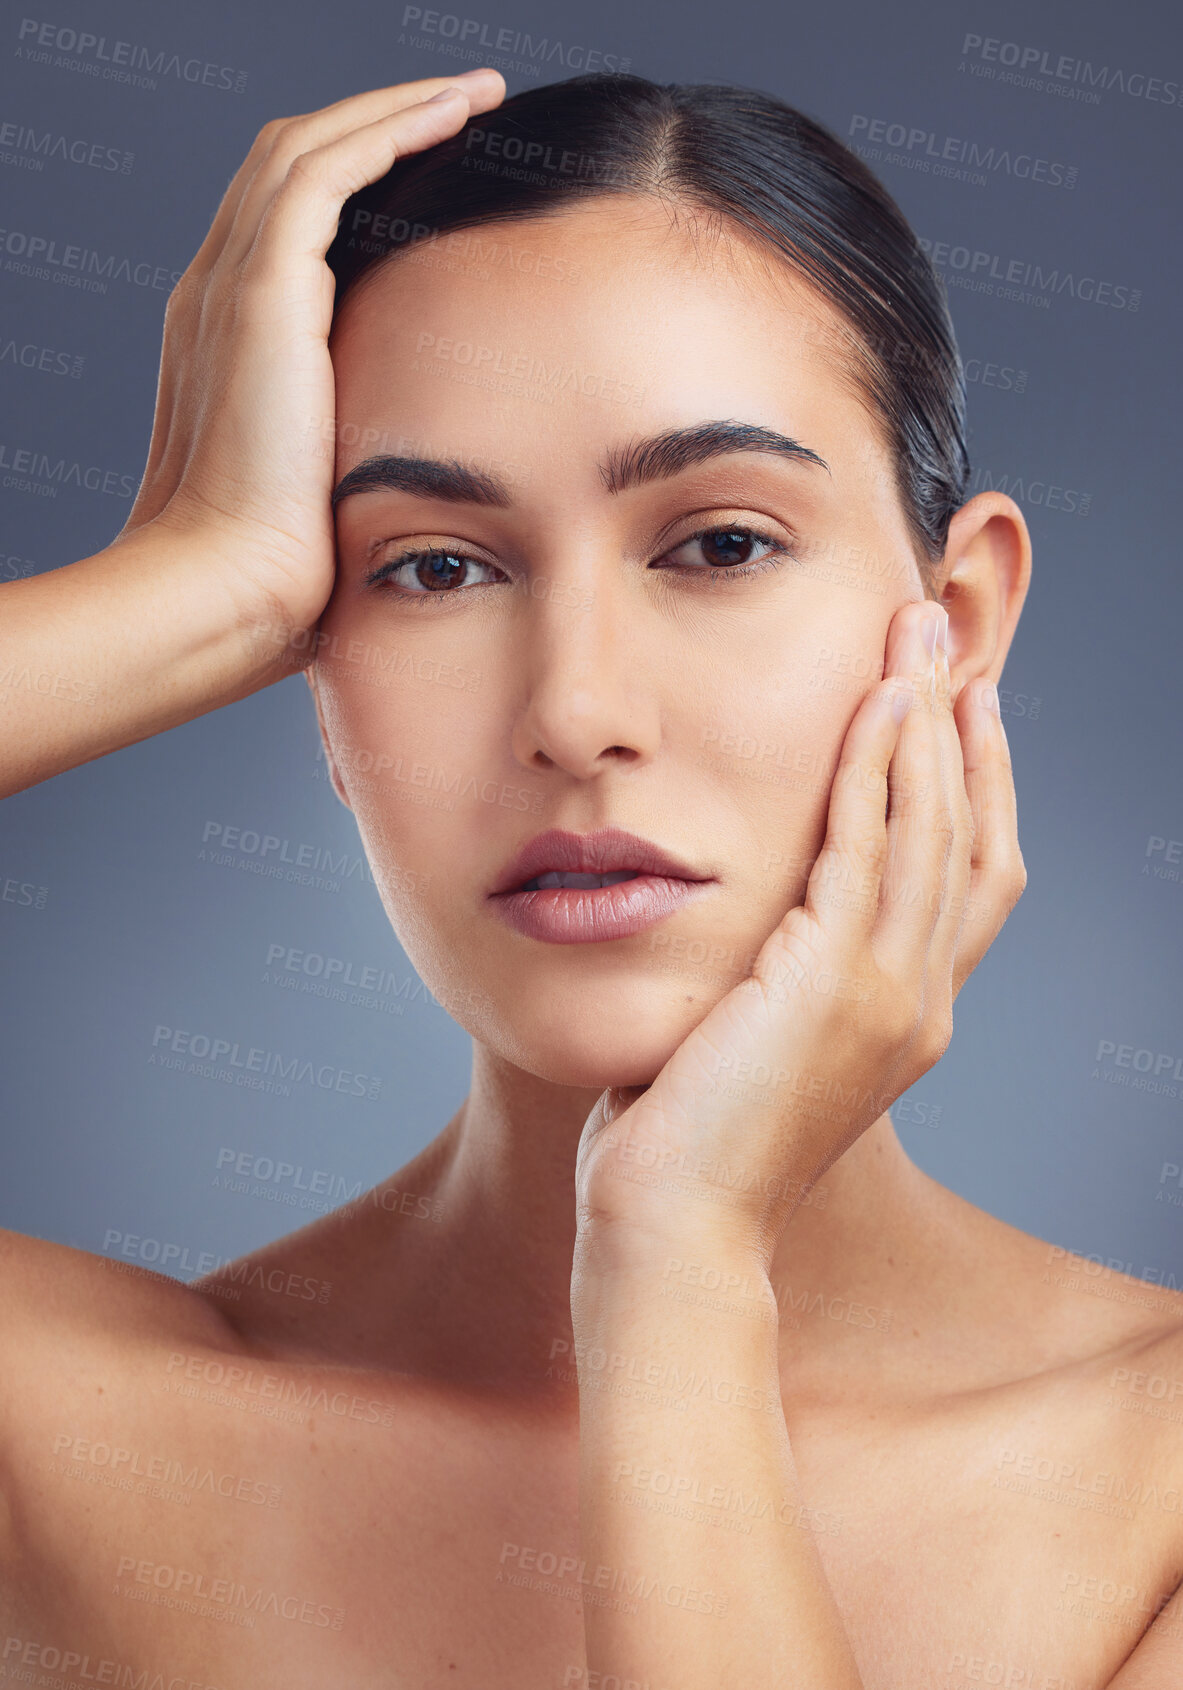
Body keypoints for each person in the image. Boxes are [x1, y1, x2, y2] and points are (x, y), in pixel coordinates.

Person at [1, 65, 1179, 1690]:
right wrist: (192, 585)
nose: (573, 712)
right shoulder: (72, 1432)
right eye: (431, 568)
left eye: (719, 544)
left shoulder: (1155, 1477)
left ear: (956, 627)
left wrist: (682, 1262)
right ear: (314, 682)